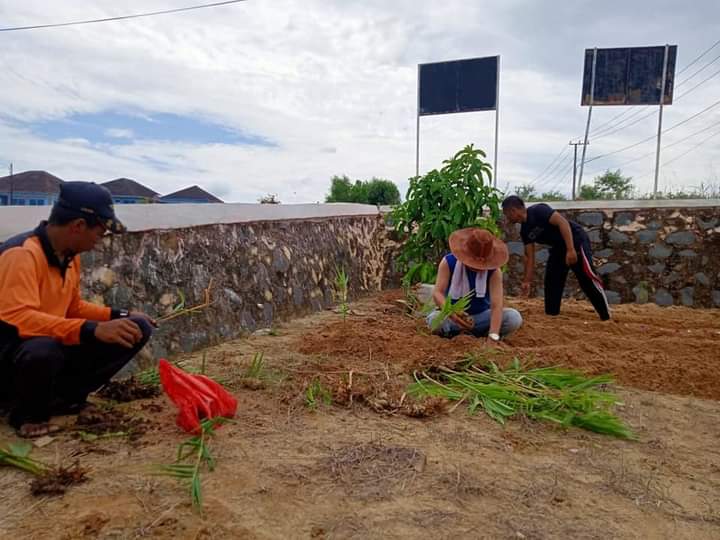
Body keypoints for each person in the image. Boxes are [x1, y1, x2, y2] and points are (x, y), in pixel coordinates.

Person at [0, 182, 155, 438]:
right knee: (42, 348)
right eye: (99, 232)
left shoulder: (70, 257)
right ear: (78, 226)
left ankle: (65, 400)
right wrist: (92, 330)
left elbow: (72, 308)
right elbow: (20, 319)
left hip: (46, 346)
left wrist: (123, 316)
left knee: (137, 328)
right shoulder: (21, 255)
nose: (99, 240)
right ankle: (27, 414)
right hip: (12, 357)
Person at [501, 195, 610, 321]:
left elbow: (562, 223)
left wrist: (570, 250)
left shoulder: (538, 210)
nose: (507, 218)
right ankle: (552, 315)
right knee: (552, 278)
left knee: (585, 278)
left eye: (506, 214)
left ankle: (605, 316)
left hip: (575, 239)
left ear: (513, 210)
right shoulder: (525, 231)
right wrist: (527, 281)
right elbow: (529, 257)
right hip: (558, 247)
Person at [426, 227, 523, 344]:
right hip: (452, 317)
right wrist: (451, 313)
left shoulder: (494, 271)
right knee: (435, 320)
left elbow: (496, 305)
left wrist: (493, 338)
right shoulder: (448, 262)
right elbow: (438, 293)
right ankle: (455, 334)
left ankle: (481, 333)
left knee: (513, 318)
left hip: (481, 317)